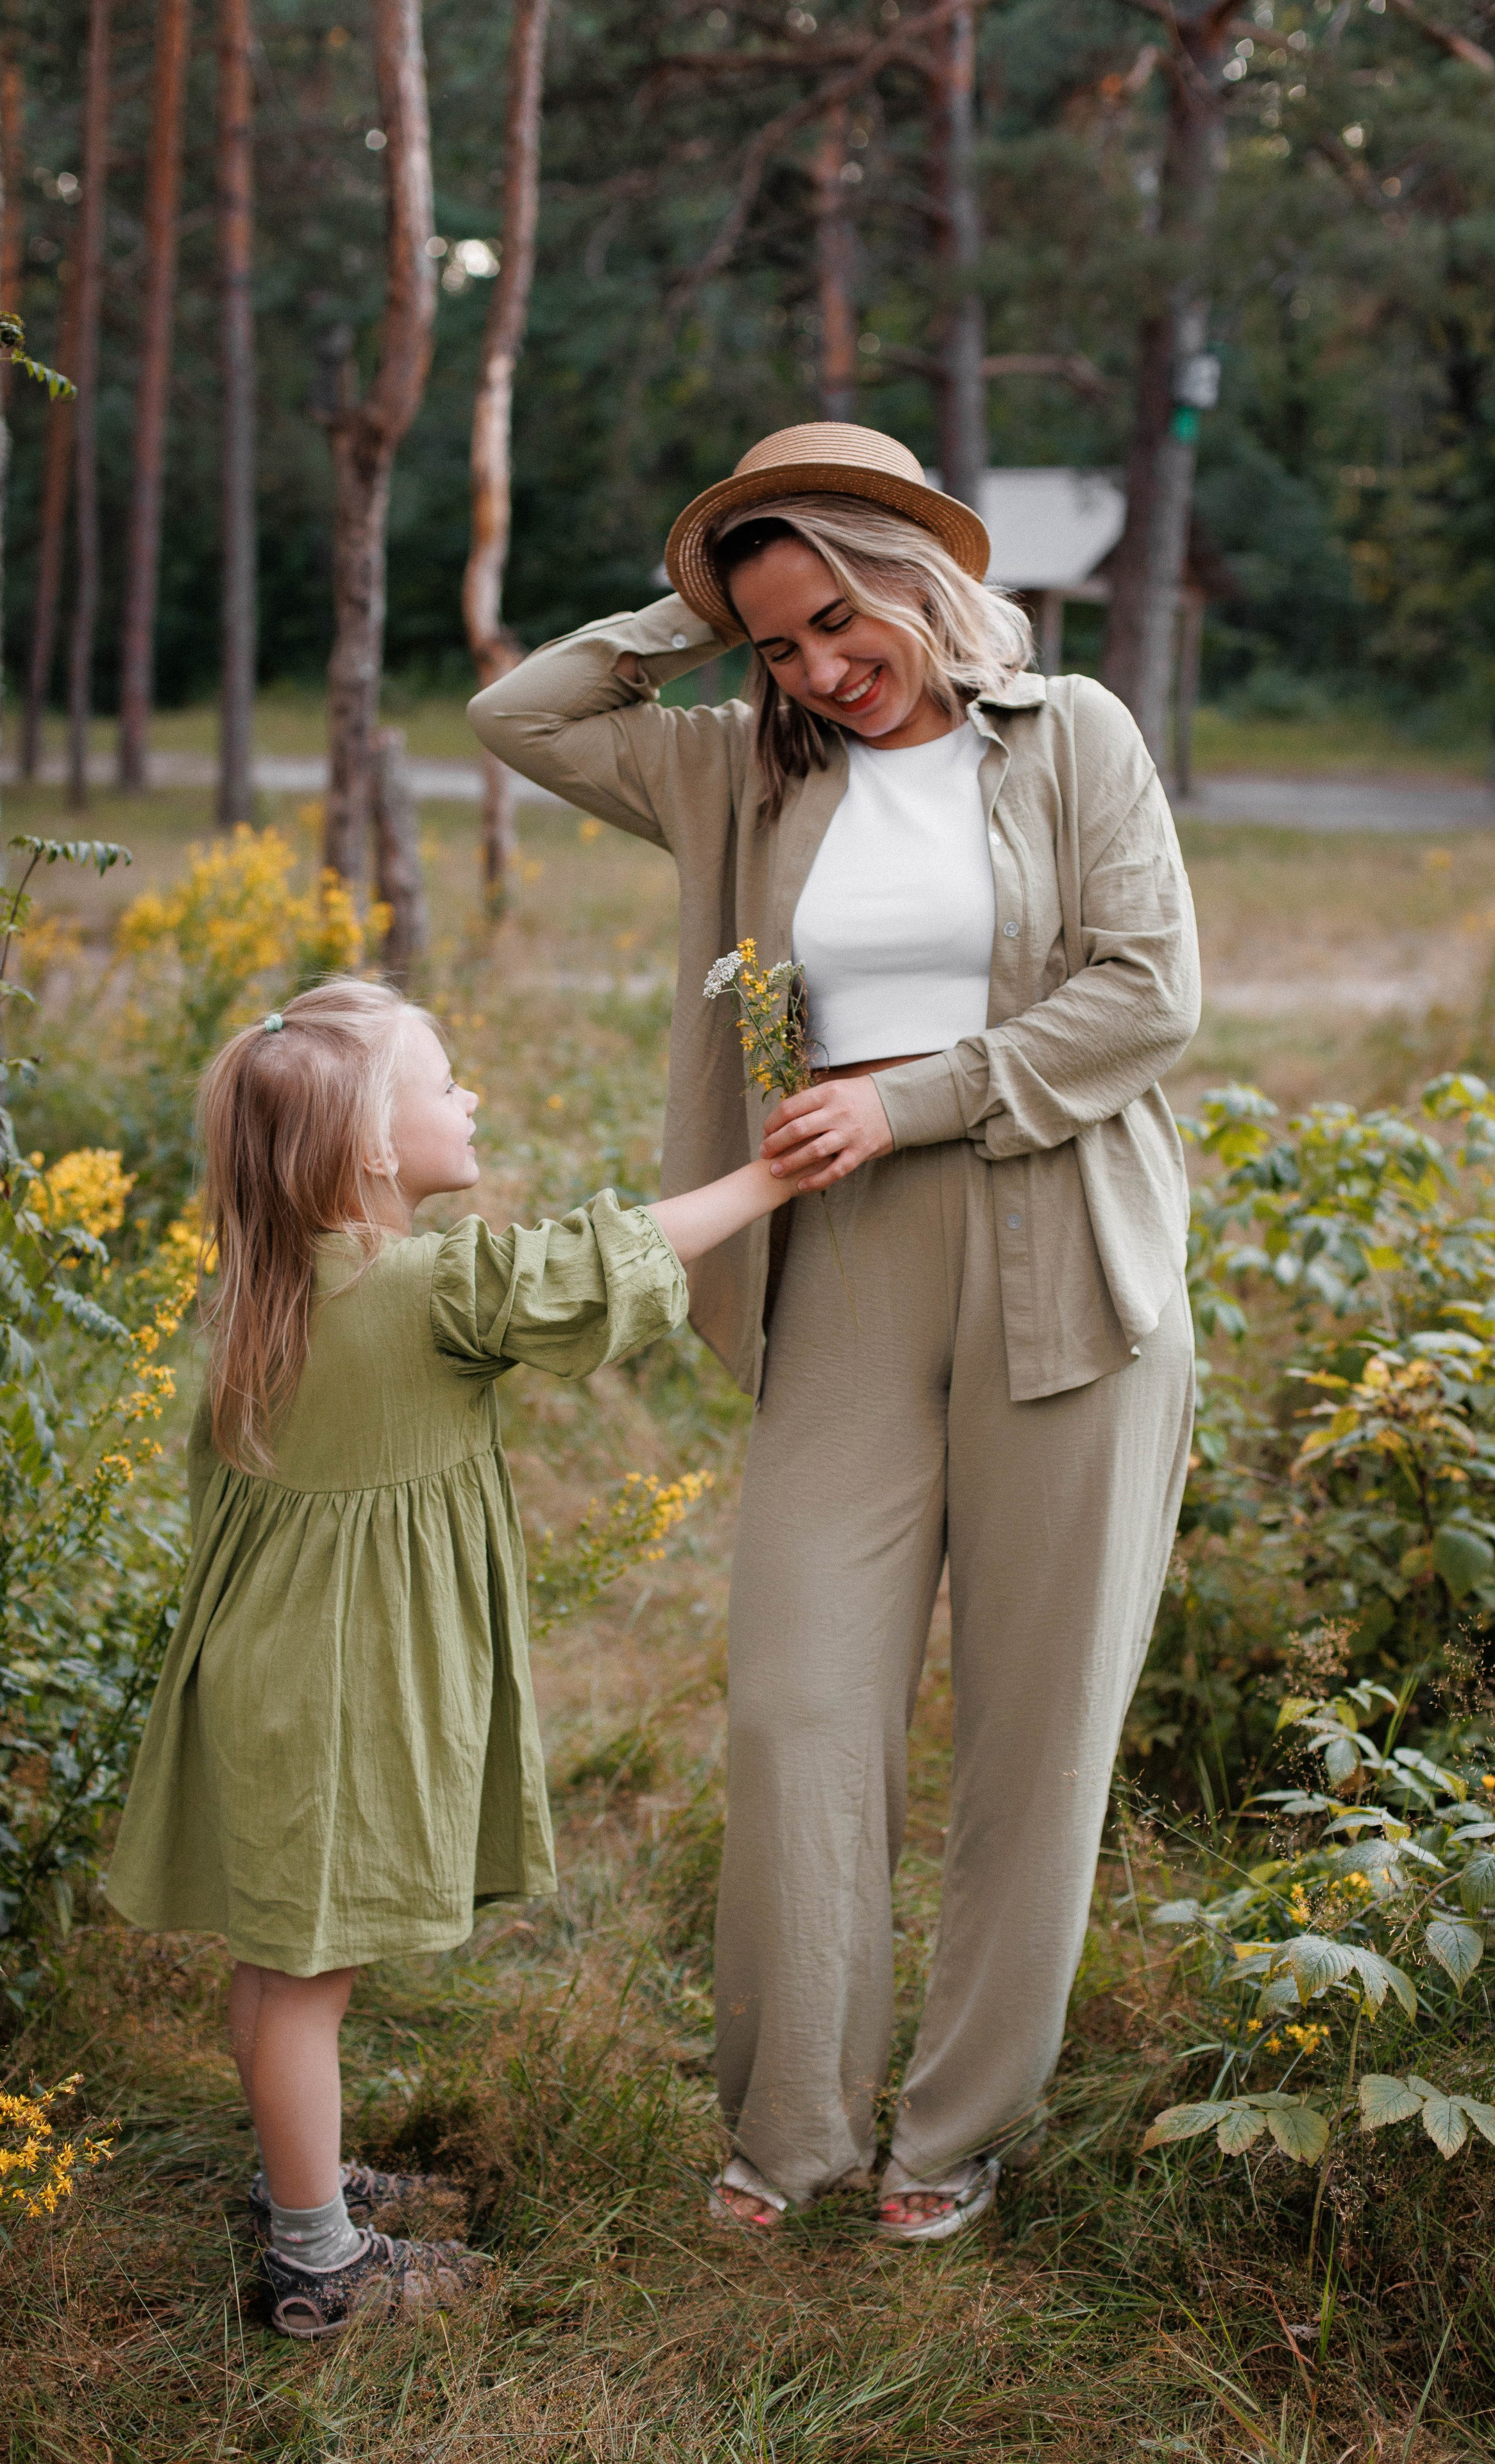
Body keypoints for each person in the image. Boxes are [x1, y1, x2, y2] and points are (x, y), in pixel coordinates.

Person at [469, 422, 1201, 2243]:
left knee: (1036, 1732)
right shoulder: (744, 767)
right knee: (804, 1703)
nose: (818, 670)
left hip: (1068, 1259)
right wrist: (700, 603)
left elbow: (1148, 992)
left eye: (834, 625)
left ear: (913, 576)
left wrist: (920, 1095)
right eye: (779, 640)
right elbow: (524, 717)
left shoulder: (1075, 734)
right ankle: (791, 2127)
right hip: (839, 1261)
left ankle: (951, 2134)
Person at [106, 978, 801, 2336]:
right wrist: (765, 1178)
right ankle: (320, 2267)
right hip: (338, 1689)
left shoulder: (268, 1286)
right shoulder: (426, 1288)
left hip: (267, 1673)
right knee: (308, 1983)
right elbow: (596, 1265)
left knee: (276, 1960)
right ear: (372, 1148)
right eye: (442, 1081)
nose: (467, 1098)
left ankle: (292, 2180)